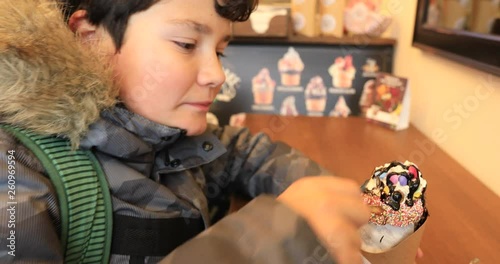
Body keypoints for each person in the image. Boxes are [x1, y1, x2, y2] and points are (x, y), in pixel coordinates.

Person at [0, 0, 371, 263]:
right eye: (187, 44)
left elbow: (245, 152)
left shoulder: (172, 136)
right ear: (90, 39)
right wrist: (273, 239)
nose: (217, 75)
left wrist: (342, 206)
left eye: (220, 52)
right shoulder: (15, 172)